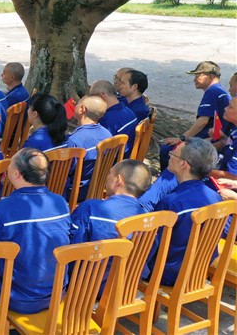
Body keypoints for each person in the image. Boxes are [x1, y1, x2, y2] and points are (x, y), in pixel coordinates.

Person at [0, 148, 71, 314]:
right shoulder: (61, 203)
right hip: (56, 293)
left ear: (16, 174)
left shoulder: (1, 210)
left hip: (16, 298)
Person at [153, 138, 223, 286]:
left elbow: (151, 244)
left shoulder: (172, 203)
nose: (170, 155)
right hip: (197, 272)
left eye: (174, 154)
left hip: (166, 274)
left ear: (183, 164)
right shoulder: (216, 198)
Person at [159, 61, 231, 170]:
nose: (194, 79)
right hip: (217, 140)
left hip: (210, 143)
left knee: (167, 150)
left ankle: (173, 179)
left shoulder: (212, 91)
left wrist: (182, 139)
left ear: (211, 77)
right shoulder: (219, 91)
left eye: (198, 76)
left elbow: (202, 121)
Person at [70, 159, 151, 245]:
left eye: (110, 173)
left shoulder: (90, 209)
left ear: (118, 180)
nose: (107, 177)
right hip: (127, 254)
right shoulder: (149, 220)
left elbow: (72, 244)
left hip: (92, 254)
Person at [66, 95, 113, 201]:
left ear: (82, 109)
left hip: (76, 192)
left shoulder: (75, 141)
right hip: (96, 188)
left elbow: (66, 171)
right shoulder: (108, 135)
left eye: (77, 104)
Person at [90, 80, 139, 157]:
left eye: (92, 97)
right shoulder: (128, 111)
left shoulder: (107, 120)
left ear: (101, 96)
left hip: (115, 160)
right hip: (128, 155)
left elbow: (97, 147)